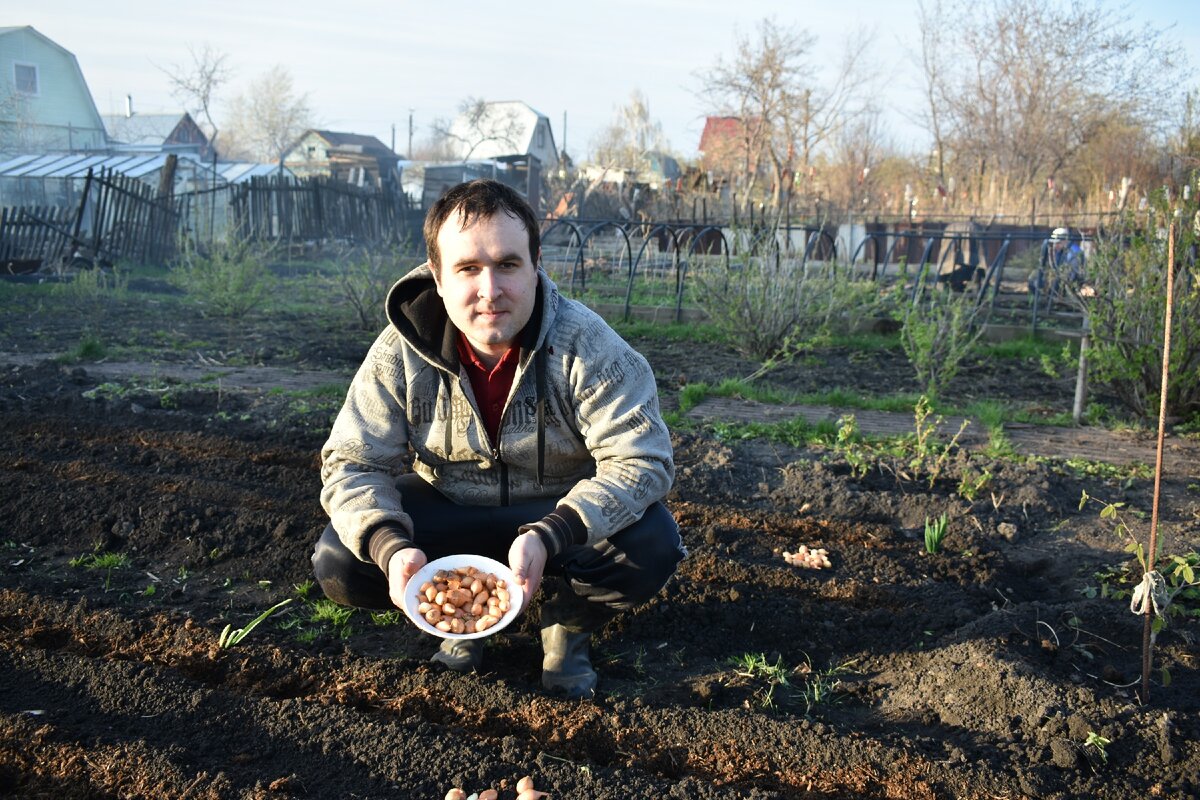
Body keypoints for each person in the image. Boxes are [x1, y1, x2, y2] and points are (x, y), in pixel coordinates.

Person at [311, 179, 684, 699]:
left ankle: (568, 624)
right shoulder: (399, 352)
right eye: (467, 268)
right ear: (437, 278)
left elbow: (642, 462)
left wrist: (553, 532)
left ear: (536, 267)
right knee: (341, 558)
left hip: (558, 514)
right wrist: (392, 547)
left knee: (651, 543)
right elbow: (352, 461)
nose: (491, 290)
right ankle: (458, 622)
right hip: (453, 504)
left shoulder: (589, 346)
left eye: (508, 264)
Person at [1028, 226, 1086, 301]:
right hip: (1060, 278)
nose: (1055, 245)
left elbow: (1072, 275)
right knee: (1033, 278)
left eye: (1058, 243)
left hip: (1070, 282)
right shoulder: (1060, 250)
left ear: (1065, 241)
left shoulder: (1074, 252)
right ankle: (1040, 301)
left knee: (1053, 284)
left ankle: (1053, 302)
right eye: (1054, 243)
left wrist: (1054, 278)